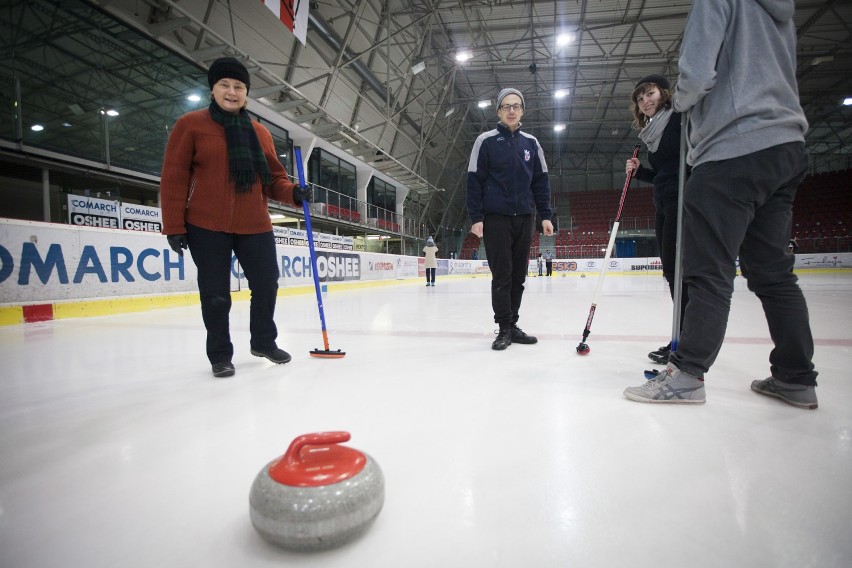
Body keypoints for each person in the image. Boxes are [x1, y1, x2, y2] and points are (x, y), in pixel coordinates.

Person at [624, 0, 819, 408]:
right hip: (784, 144)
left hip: (732, 148)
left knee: (707, 271)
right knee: (773, 274)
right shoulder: (778, 11)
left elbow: (694, 77)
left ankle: (688, 374)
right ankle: (796, 377)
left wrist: (686, 104)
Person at [160, 57, 311, 378]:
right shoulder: (190, 125)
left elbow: (273, 179)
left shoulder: (260, 133)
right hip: (205, 223)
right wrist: (173, 224)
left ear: (246, 93)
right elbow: (174, 177)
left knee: (267, 283)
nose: (232, 92)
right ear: (212, 89)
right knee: (215, 294)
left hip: (254, 222)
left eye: (239, 87)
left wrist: (294, 193)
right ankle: (220, 355)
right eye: (225, 85)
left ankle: (264, 342)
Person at [467, 87, 554, 351]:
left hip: (524, 218)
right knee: (502, 275)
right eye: (507, 106)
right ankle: (503, 327)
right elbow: (474, 181)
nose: (512, 110)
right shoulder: (486, 141)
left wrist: (546, 215)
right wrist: (476, 217)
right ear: (498, 111)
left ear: (522, 110)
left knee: (518, 276)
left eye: (516, 106)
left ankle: (513, 324)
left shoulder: (532, 143)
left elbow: (541, 181)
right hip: (496, 218)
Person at [625, 74, 689, 366]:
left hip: (684, 200)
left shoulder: (678, 118)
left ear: (662, 92)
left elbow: (685, 163)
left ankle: (686, 341)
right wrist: (639, 172)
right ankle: (682, 336)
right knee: (671, 272)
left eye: (649, 94)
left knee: (680, 273)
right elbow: (664, 173)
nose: (645, 101)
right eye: (640, 99)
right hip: (664, 201)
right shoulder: (653, 131)